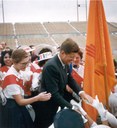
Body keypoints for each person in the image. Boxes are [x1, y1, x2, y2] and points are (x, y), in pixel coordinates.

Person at [34, 38, 93, 128]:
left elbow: (70, 78)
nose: (73, 60)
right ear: (62, 53)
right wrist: (72, 107)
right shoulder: (51, 66)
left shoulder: (64, 61)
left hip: (59, 102)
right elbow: (53, 93)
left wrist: (81, 93)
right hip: (49, 107)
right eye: (71, 57)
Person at [0, 49, 51, 128]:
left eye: (27, 62)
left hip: (17, 107)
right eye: (23, 63)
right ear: (14, 62)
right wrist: (38, 98)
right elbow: (20, 101)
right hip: (13, 109)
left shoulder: (17, 71)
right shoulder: (11, 78)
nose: (26, 65)